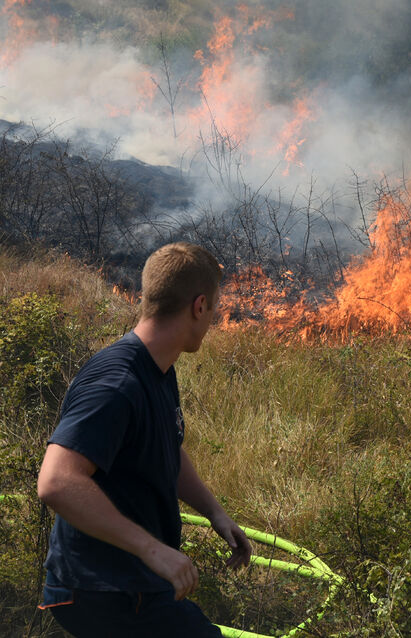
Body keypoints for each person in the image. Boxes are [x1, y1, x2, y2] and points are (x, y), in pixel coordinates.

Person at [36, 242, 252, 638]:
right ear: (199, 305)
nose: (214, 319)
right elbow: (56, 482)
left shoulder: (159, 369)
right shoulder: (118, 383)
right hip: (103, 589)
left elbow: (166, 443)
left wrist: (215, 513)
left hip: (132, 581)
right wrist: (154, 550)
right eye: (214, 309)